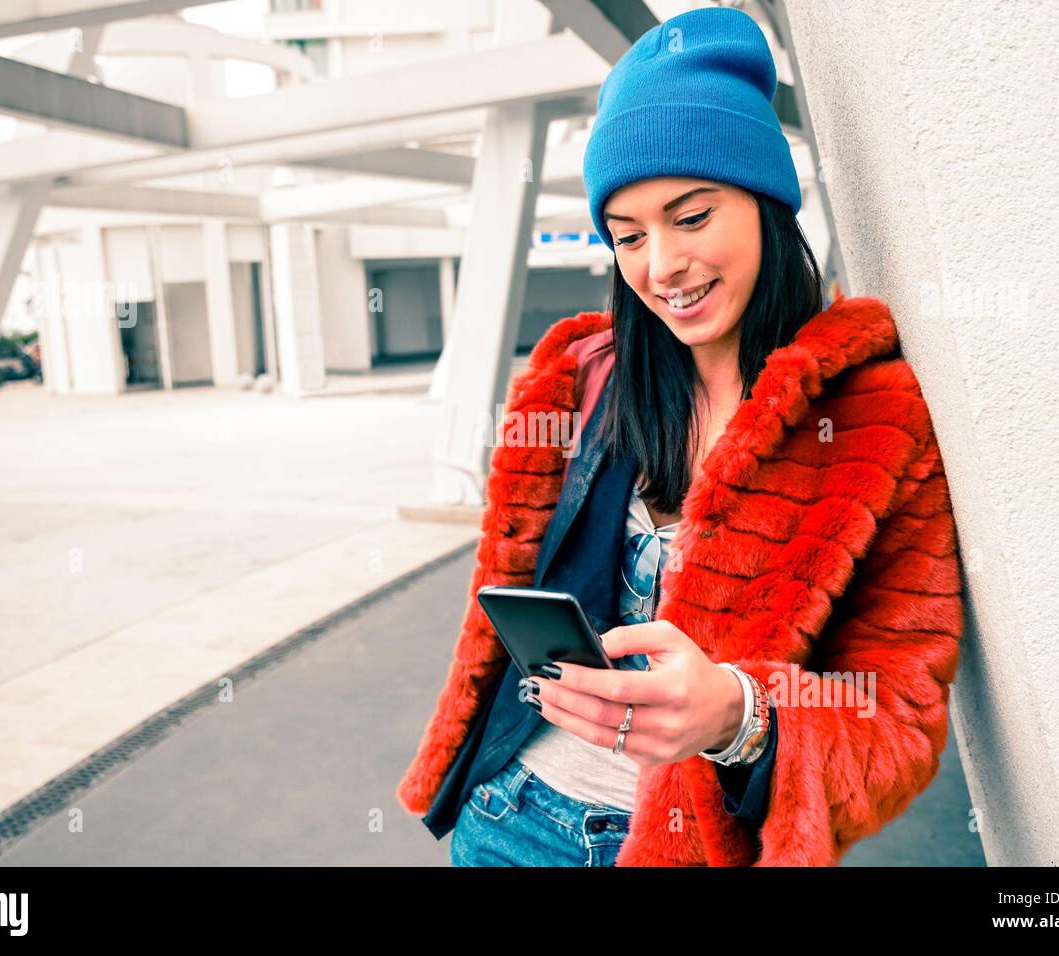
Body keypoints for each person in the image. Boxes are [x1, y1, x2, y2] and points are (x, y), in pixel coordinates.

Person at [395, 5, 963, 867]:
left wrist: (739, 714)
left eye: (692, 218)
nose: (661, 266)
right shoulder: (579, 380)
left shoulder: (872, 420)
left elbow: (901, 713)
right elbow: (498, 610)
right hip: (504, 819)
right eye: (628, 236)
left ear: (769, 208)